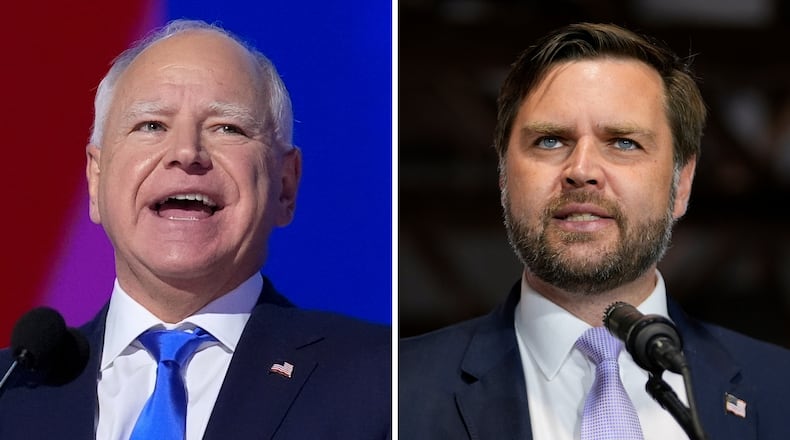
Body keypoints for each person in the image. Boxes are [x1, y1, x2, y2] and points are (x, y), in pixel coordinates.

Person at [0, 19, 390, 439]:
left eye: (228, 128)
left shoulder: (384, 381)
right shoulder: (11, 390)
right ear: (96, 179)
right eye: (151, 125)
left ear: (286, 186)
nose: (187, 153)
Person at [399, 22, 790, 439]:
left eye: (623, 142)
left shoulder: (780, 389)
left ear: (683, 183)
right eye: (550, 141)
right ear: (503, 176)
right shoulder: (394, 392)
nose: (581, 171)